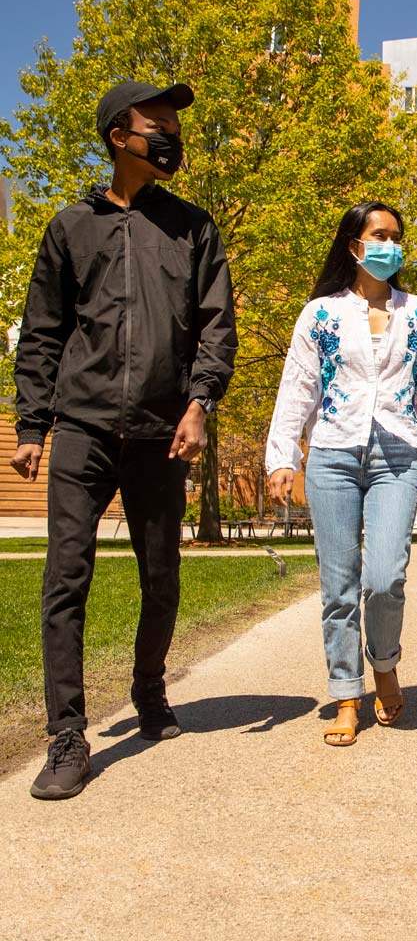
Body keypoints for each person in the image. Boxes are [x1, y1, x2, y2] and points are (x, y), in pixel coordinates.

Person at [12, 80, 237, 800]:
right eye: (158, 122)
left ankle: (149, 688)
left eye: (173, 123)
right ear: (119, 134)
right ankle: (68, 735)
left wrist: (200, 404)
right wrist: (30, 425)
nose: (170, 133)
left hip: (161, 433)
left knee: (161, 575)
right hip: (81, 429)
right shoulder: (69, 227)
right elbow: (42, 334)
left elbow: (215, 326)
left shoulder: (194, 227)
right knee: (64, 578)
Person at [266, 201, 417, 747]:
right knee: (339, 586)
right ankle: (346, 693)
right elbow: (298, 387)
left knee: (385, 578)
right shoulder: (319, 314)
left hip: (398, 454)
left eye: (396, 237)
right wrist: (283, 456)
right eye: (379, 235)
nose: (389, 245)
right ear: (354, 245)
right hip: (332, 454)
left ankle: (385, 664)